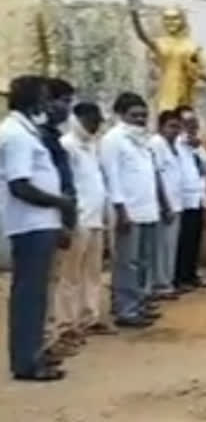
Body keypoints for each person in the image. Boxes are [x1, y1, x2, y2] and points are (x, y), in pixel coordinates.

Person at [0, 75, 75, 381]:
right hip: (30, 224)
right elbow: (20, 186)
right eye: (44, 97)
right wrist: (60, 202)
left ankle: (33, 354)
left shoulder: (26, 132)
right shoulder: (16, 135)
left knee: (36, 294)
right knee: (29, 295)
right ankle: (27, 362)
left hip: (40, 223)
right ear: (33, 100)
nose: (48, 103)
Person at [101, 92, 162, 328]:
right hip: (128, 211)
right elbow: (112, 176)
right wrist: (121, 210)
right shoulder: (113, 139)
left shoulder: (144, 140)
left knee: (145, 261)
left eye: (144, 115)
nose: (140, 119)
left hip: (148, 209)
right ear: (121, 114)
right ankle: (125, 310)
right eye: (134, 115)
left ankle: (139, 303)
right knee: (127, 262)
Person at [59, 102, 113, 341]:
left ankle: (90, 317)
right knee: (70, 274)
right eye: (93, 120)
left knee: (93, 272)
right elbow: (65, 185)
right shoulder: (68, 145)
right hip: (78, 218)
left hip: (95, 218)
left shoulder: (91, 145)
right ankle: (66, 323)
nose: (97, 125)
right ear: (80, 118)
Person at [38, 78, 78, 358]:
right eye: (63, 101)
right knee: (44, 283)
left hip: (59, 214)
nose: (67, 108)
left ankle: (51, 336)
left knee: (54, 278)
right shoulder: (39, 137)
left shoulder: (51, 136)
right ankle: (44, 340)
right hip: (43, 217)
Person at [175, 105, 206, 289]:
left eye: (194, 122)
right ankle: (180, 277)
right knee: (182, 240)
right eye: (188, 122)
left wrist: (198, 148)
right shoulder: (175, 144)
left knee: (194, 239)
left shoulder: (197, 145)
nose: (192, 126)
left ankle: (191, 275)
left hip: (198, 198)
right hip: (182, 200)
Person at [148, 110, 184, 298]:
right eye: (171, 126)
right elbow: (157, 176)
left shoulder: (175, 145)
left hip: (177, 203)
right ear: (161, 127)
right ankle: (160, 284)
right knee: (161, 246)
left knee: (170, 246)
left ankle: (166, 282)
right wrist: (165, 205)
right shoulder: (156, 144)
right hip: (164, 205)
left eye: (177, 126)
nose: (175, 130)